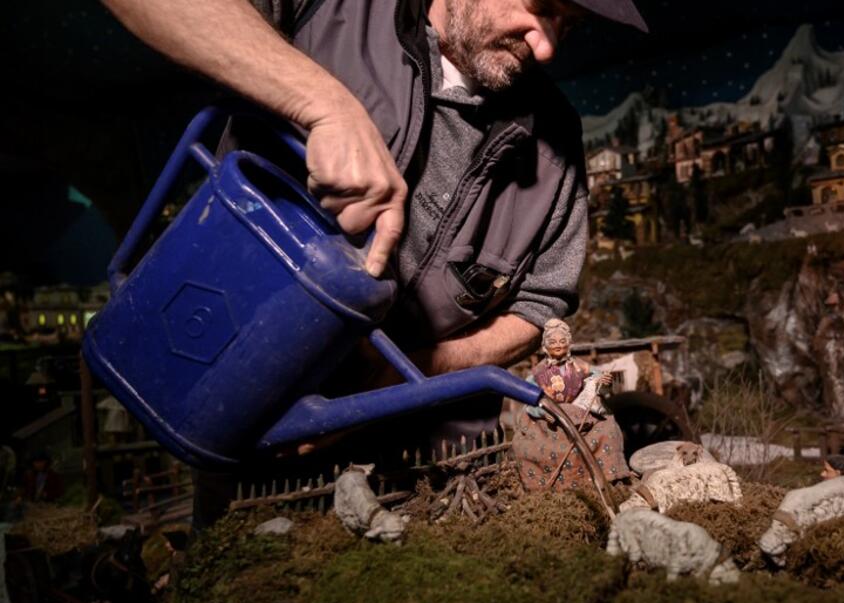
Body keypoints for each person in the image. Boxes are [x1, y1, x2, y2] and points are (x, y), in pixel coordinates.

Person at [100, 0, 648, 526]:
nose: (547, 46)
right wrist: (319, 101)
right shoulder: (328, 10)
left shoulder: (557, 144)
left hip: (439, 483)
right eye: (541, 6)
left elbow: (537, 309)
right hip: (254, 461)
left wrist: (402, 378)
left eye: (567, 25)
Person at [513, 319, 632, 491]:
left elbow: (599, 384)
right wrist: (540, 411)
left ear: (569, 343)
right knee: (528, 445)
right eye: (552, 342)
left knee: (608, 430)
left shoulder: (581, 366)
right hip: (549, 420)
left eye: (562, 341)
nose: (558, 345)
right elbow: (526, 397)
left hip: (580, 415)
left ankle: (608, 479)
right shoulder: (537, 373)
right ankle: (549, 488)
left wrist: (604, 382)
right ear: (545, 346)